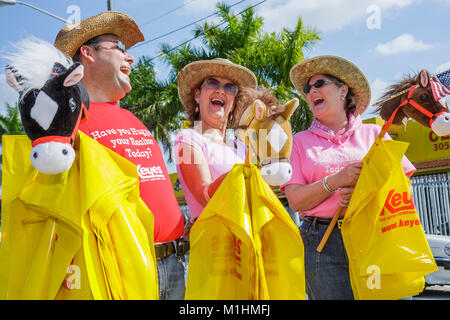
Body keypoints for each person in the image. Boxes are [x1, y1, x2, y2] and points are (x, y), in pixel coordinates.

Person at [54, 11, 187, 300]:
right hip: (118, 270)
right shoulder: (65, 123)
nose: (131, 58)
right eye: (120, 48)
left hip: (174, 263)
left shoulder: (131, 118)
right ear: (87, 53)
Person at [282, 55, 416, 300]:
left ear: (343, 90)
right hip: (323, 245)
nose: (311, 91)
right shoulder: (298, 142)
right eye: (307, 88)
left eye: (319, 84)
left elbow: (403, 184)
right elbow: (296, 201)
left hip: (377, 235)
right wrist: (334, 181)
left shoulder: (375, 133)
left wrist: (363, 194)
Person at [174, 58, 257, 223]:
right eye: (212, 83)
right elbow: (205, 196)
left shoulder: (243, 147)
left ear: (233, 103)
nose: (221, 90)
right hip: (214, 241)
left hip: (249, 239)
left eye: (229, 87)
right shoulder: (188, 138)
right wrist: (239, 174)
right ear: (197, 95)